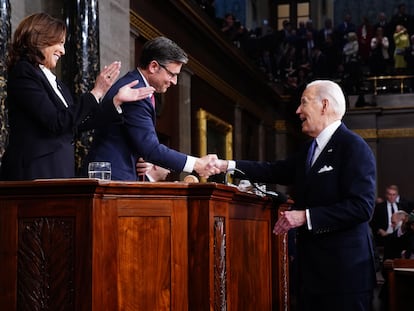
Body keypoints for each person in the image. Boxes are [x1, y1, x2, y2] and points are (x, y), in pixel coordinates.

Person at [213, 80, 377, 311]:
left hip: (344, 276)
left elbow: (362, 207)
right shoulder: (309, 149)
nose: (298, 111)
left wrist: (305, 217)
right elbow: (273, 170)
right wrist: (225, 165)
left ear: (324, 105)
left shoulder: (354, 147)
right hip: (312, 275)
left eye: (303, 103)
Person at [0, 12, 154, 181]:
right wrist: (97, 92)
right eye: (59, 43)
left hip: (59, 170)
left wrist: (116, 100)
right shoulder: (24, 72)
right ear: (40, 38)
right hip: (35, 173)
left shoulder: (57, 83)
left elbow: (77, 123)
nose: (63, 51)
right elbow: (56, 121)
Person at [84, 36, 219, 180]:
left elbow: (139, 142)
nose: (174, 81)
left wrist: (143, 157)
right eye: (172, 74)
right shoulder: (135, 92)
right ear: (153, 66)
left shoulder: (137, 84)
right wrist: (197, 164)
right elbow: (151, 149)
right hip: (110, 180)